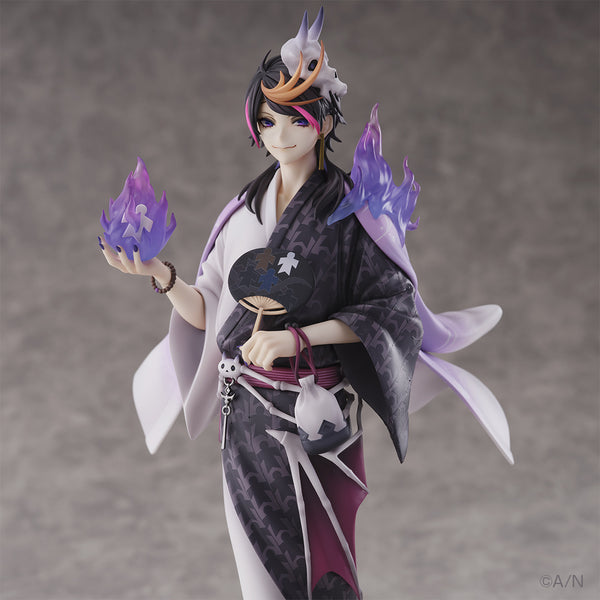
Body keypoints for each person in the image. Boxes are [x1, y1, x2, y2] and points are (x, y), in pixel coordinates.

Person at [100, 9, 512, 600]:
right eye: (268, 119)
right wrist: (162, 276)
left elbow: (390, 310)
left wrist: (298, 338)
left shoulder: (351, 214)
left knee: (320, 573)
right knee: (257, 580)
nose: (280, 134)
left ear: (324, 120)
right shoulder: (241, 211)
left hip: (315, 418)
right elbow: (212, 314)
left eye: (296, 117)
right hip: (246, 422)